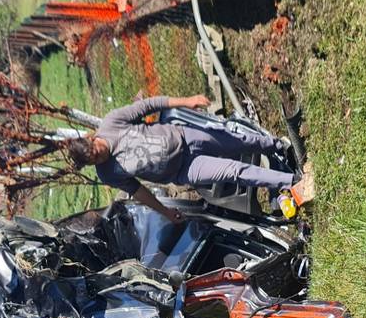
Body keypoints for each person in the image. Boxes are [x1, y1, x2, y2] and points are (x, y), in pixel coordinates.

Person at [67, 94, 305, 223]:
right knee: (234, 171)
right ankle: (290, 180)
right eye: (95, 161)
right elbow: (139, 192)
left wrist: (187, 101)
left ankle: (277, 146)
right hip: (184, 170)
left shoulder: (111, 123)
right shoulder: (108, 173)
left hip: (186, 137)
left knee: (238, 141)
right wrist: (165, 212)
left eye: (97, 151)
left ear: (92, 139)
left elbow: (150, 105)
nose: (100, 157)